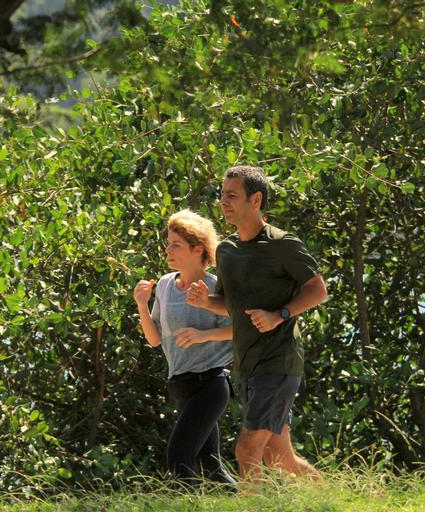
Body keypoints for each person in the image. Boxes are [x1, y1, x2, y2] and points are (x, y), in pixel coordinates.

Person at [187, 166, 328, 483]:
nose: (223, 201)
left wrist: (280, 314)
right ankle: (336, 499)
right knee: (279, 457)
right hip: (248, 364)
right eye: (222, 194)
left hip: (279, 361)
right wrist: (205, 302)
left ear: (256, 199)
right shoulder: (226, 251)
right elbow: (229, 304)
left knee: (247, 449)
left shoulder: (282, 244)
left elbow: (317, 291)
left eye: (232, 195)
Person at [133, 209, 236, 487]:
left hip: (211, 384)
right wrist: (142, 304)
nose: (168, 250)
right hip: (182, 387)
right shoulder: (165, 284)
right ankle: (249, 503)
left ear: (197, 249)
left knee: (178, 457)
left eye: (176, 245)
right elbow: (155, 339)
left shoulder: (215, 287)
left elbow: (243, 330)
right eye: (168, 243)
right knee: (212, 467)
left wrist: (204, 336)